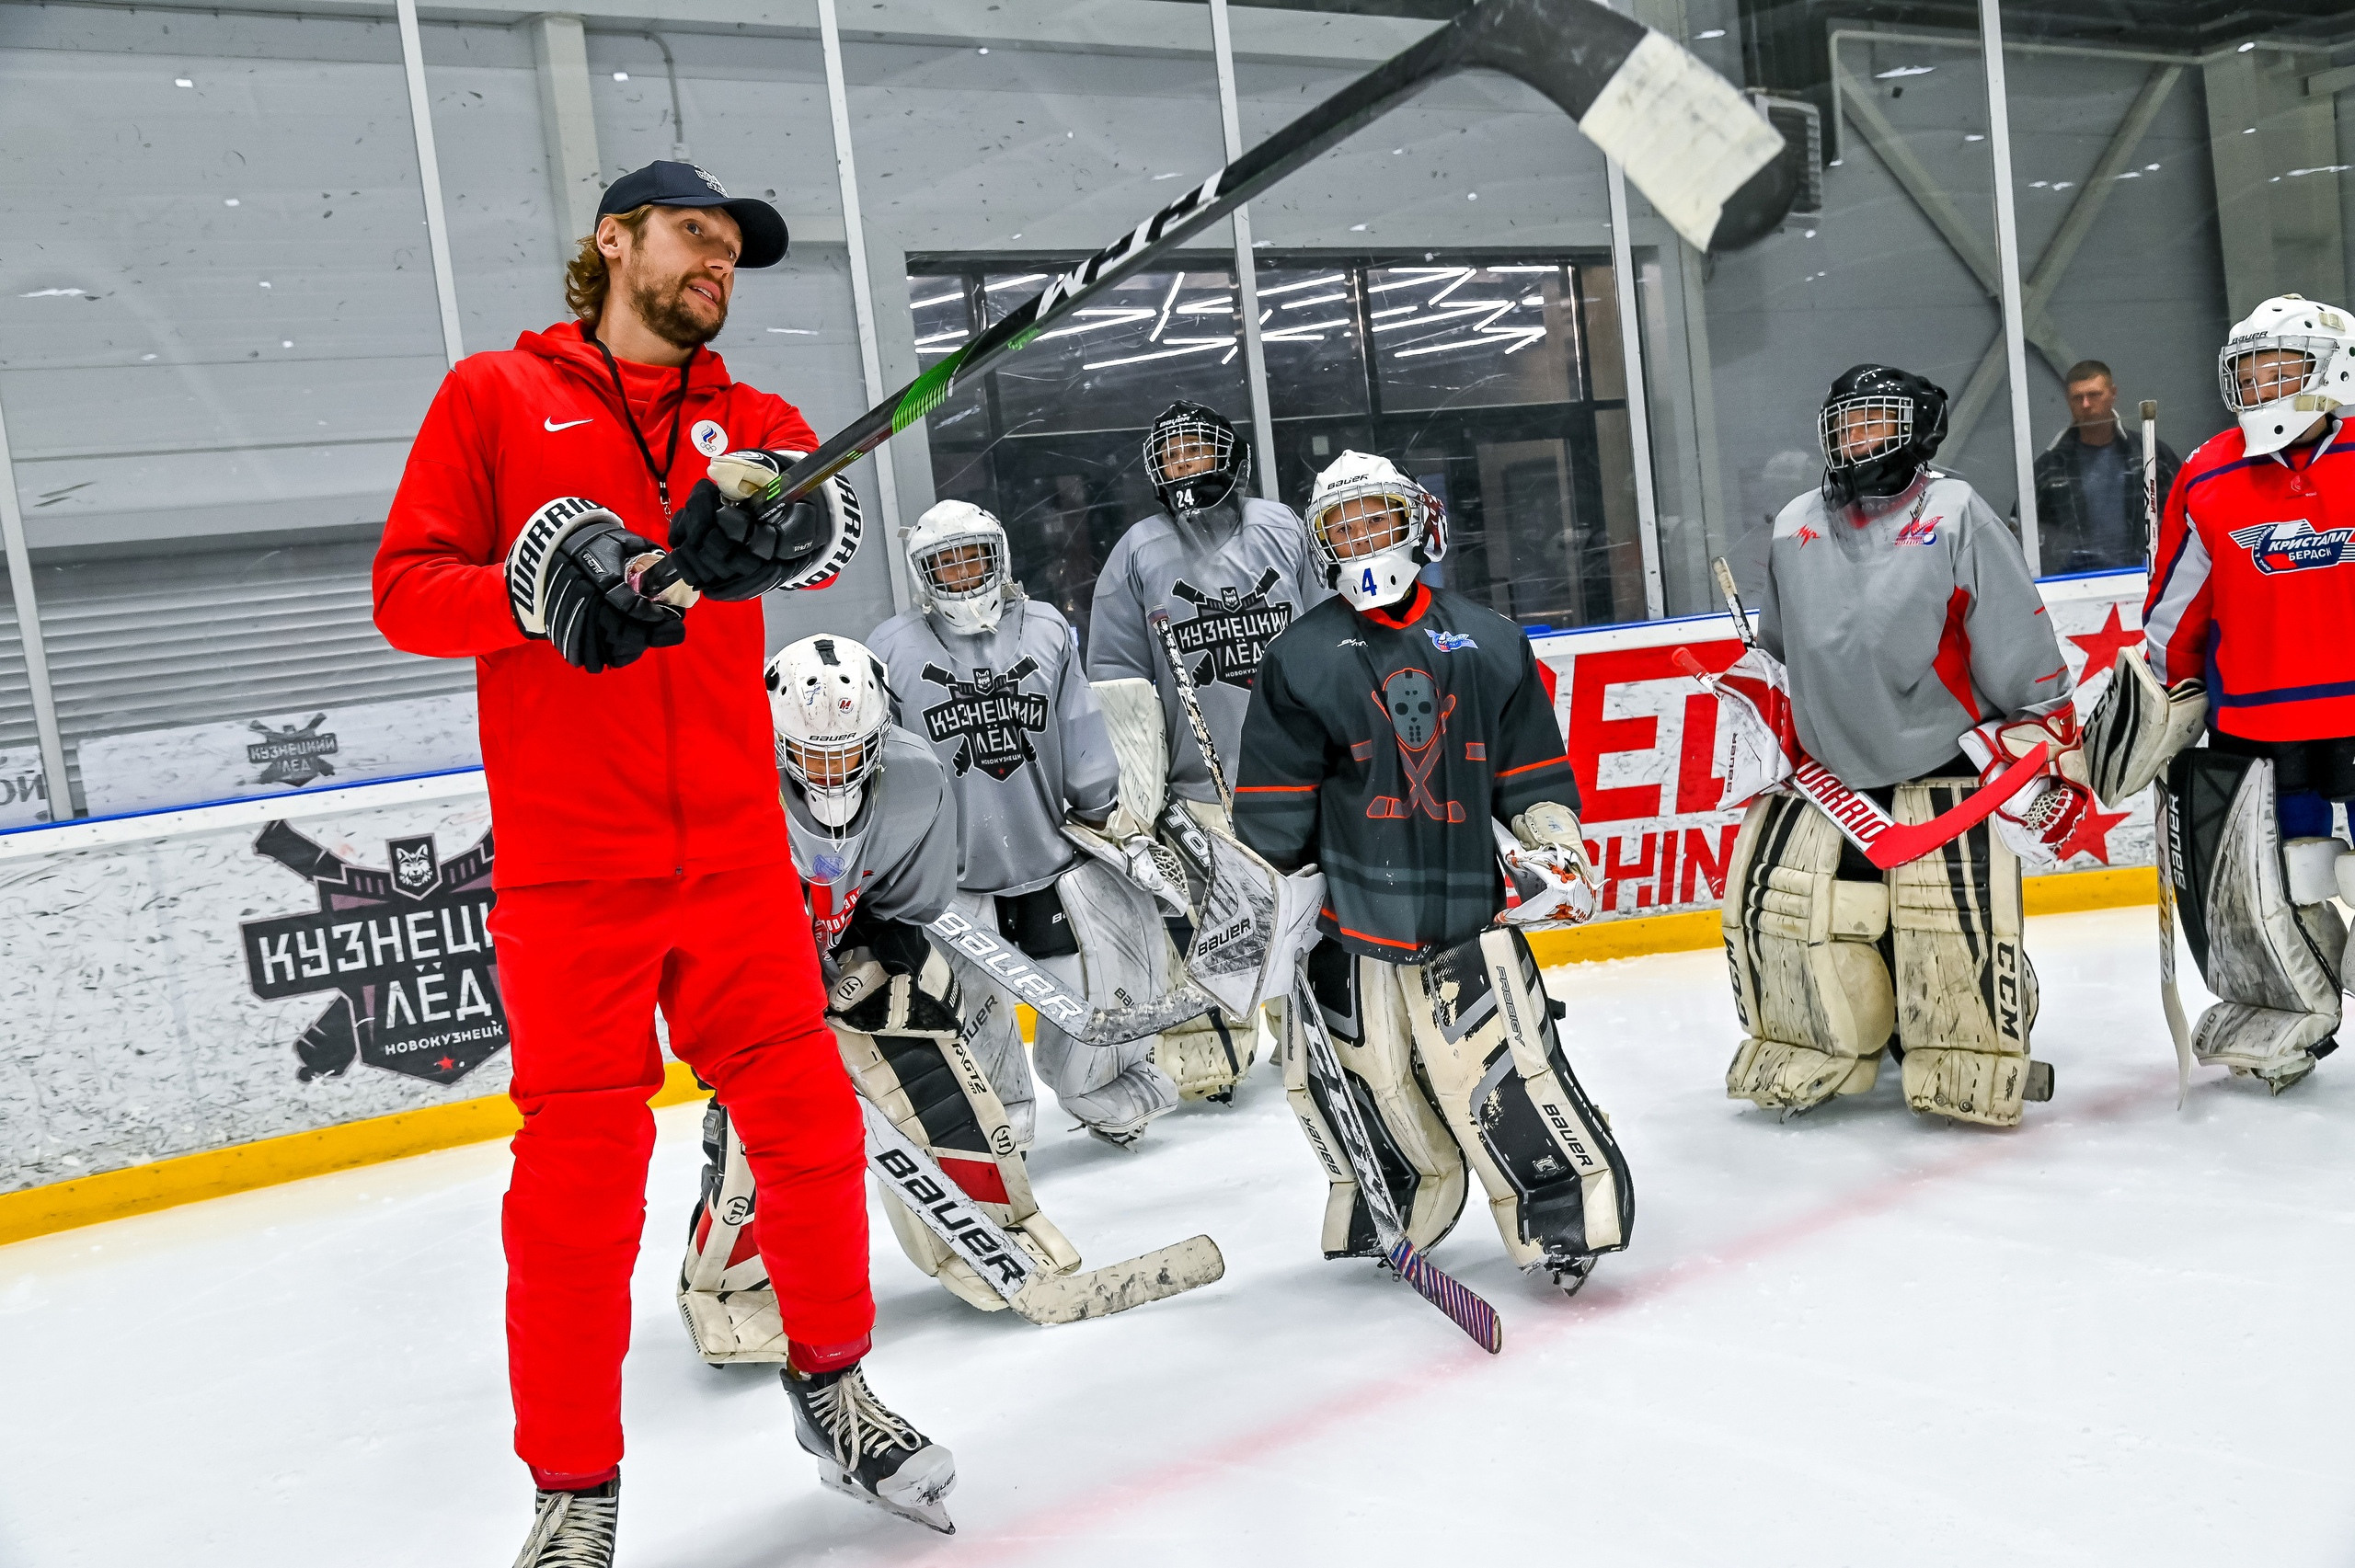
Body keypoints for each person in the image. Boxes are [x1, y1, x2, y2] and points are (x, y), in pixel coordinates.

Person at [372, 161, 950, 1562]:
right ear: (613, 240)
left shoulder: (745, 418)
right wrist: (541, 592)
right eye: (696, 236)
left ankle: (836, 1386)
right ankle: (573, 1493)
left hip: (739, 860)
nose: (719, 265)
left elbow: (831, 517)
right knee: (578, 1186)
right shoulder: (495, 400)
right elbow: (405, 591)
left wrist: (774, 523)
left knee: (812, 1135)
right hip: (575, 871)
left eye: (733, 251)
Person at [1231, 450, 1633, 1295]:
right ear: (1321, 543)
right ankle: (1397, 1202)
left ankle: (1561, 1213)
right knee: (1360, 1072)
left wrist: (1556, 843)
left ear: (1415, 521)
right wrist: (1265, 907)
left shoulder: (1488, 638)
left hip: (1468, 907)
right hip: (1350, 915)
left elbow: (1531, 771)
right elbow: (1274, 800)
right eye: (1342, 525)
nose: (1361, 537)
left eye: (1375, 517)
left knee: (1497, 1069)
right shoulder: (1299, 655)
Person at [679, 635, 1097, 1350]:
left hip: (848, 946)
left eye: (849, 752)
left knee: (939, 1070)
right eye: (813, 755)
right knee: (763, 1138)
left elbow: (910, 902)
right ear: (773, 741)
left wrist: (881, 955)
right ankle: (725, 1281)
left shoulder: (914, 775)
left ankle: (987, 1225)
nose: (833, 770)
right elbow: (694, 914)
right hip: (750, 968)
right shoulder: (715, 778)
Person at [1710, 363, 2096, 1130]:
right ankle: (1836, 1039)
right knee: (1812, 920)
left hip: (1942, 764)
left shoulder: (1956, 511)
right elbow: (1784, 652)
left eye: (1875, 424)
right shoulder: (1794, 523)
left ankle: (1965, 1045)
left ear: (1917, 429)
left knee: (1942, 928)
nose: (1857, 441)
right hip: (1828, 772)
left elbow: (2015, 639)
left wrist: (2046, 731)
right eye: (1845, 426)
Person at [868, 499, 1186, 1147]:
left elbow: (1079, 727)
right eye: (944, 563)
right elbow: (891, 768)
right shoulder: (891, 648)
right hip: (952, 883)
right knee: (978, 1015)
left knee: (1082, 1001)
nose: (961, 574)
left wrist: (1102, 811)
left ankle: (1098, 1089)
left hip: (1049, 862)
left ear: (1000, 557)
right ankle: (999, 1116)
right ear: (920, 573)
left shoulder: (1045, 627)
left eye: (973, 557)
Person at [2125, 292, 2355, 1092]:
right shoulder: (2212, 470)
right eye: (2247, 374)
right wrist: (2159, 692)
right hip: (2261, 723)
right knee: (2290, 883)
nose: (2259, 390)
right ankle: (2293, 1017)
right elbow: (2178, 608)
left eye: (2278, 370)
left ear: (2333, 367)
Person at [1086, 401, 1328, 1100]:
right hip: (1200, 792)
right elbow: (1121, 687)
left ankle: (1315, 1042)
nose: (1186, 467)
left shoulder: (1283, 527)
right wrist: (1141, 790)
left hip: (1300, 777)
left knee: (1307, 921)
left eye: (1198, 452)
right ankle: (1216, 1053)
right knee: (1221, 929)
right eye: (1173, 457)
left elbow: (1330, 640)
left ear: (1232, 457)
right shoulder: (1136, 551)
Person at [2033, 359, 2181, 574]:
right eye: (2077, 397)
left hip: (2148, 579)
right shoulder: (2048, 468)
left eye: (2094, 395)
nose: (2086, 404)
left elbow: (2185, 516)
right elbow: (2022, 534)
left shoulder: (2150, 454)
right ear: (2068, 401)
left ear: (2113, 394)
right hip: (2071, 587)